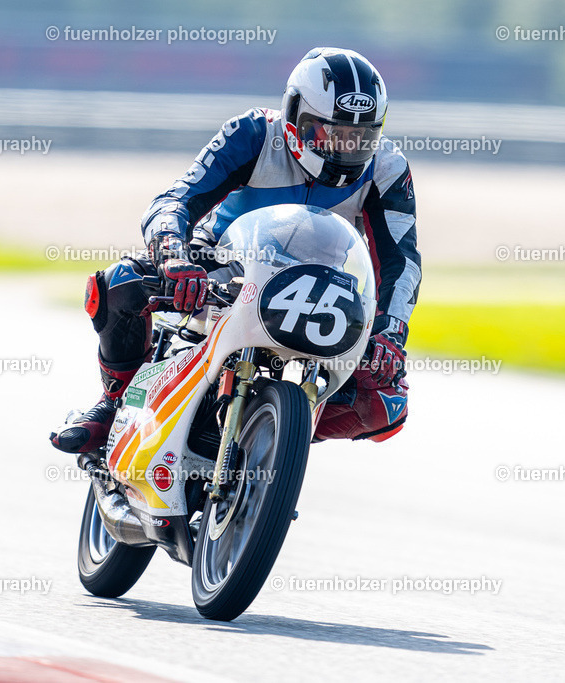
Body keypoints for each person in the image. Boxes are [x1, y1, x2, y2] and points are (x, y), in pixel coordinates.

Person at [51, 47, 420, 453]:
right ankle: (115, 405)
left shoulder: (387, 168)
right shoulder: (253, 133)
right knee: (118, 284)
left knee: (388, 404)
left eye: (358, 137)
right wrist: (173, 256)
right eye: (328, 132)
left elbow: (400, 263)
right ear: (295, 115)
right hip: (222, 269)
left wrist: (391, 334)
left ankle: (270, 434)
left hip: (317, 295)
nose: (343, 148)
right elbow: (174, 200)